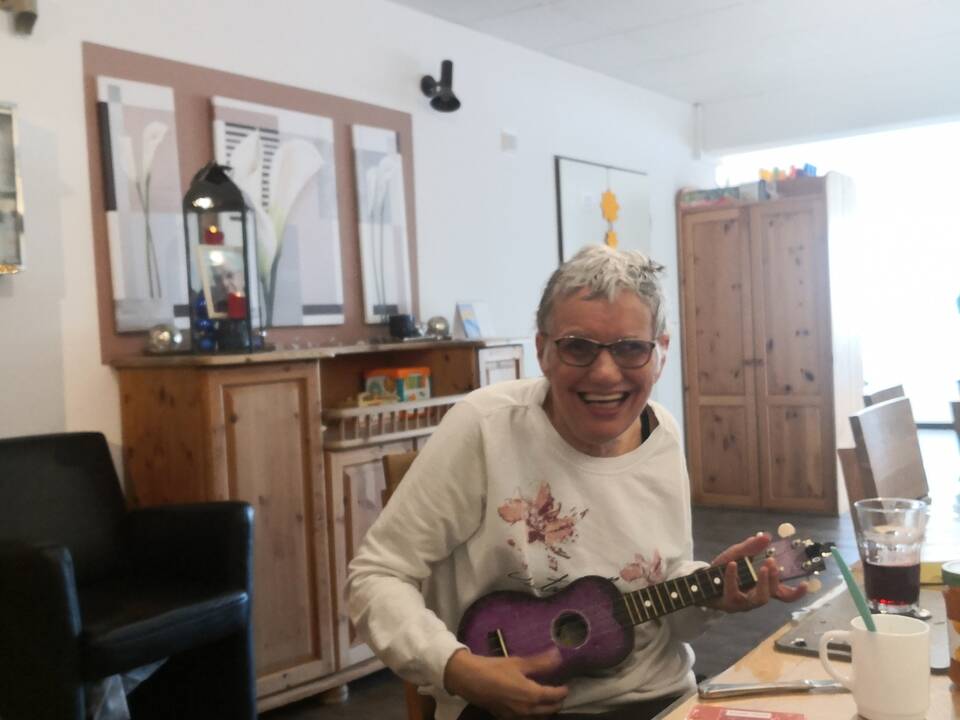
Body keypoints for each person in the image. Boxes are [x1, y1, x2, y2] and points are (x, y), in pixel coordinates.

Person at [347, 245, 807, 720]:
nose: (605, 373)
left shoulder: (662, 433)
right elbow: (375, 577)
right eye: (578, 346)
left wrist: (714, 595)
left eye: (631, 348)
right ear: (543, 350)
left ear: (661, 353)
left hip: (662, 697)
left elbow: (662, 604)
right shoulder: (485, 428)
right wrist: (456, 668)